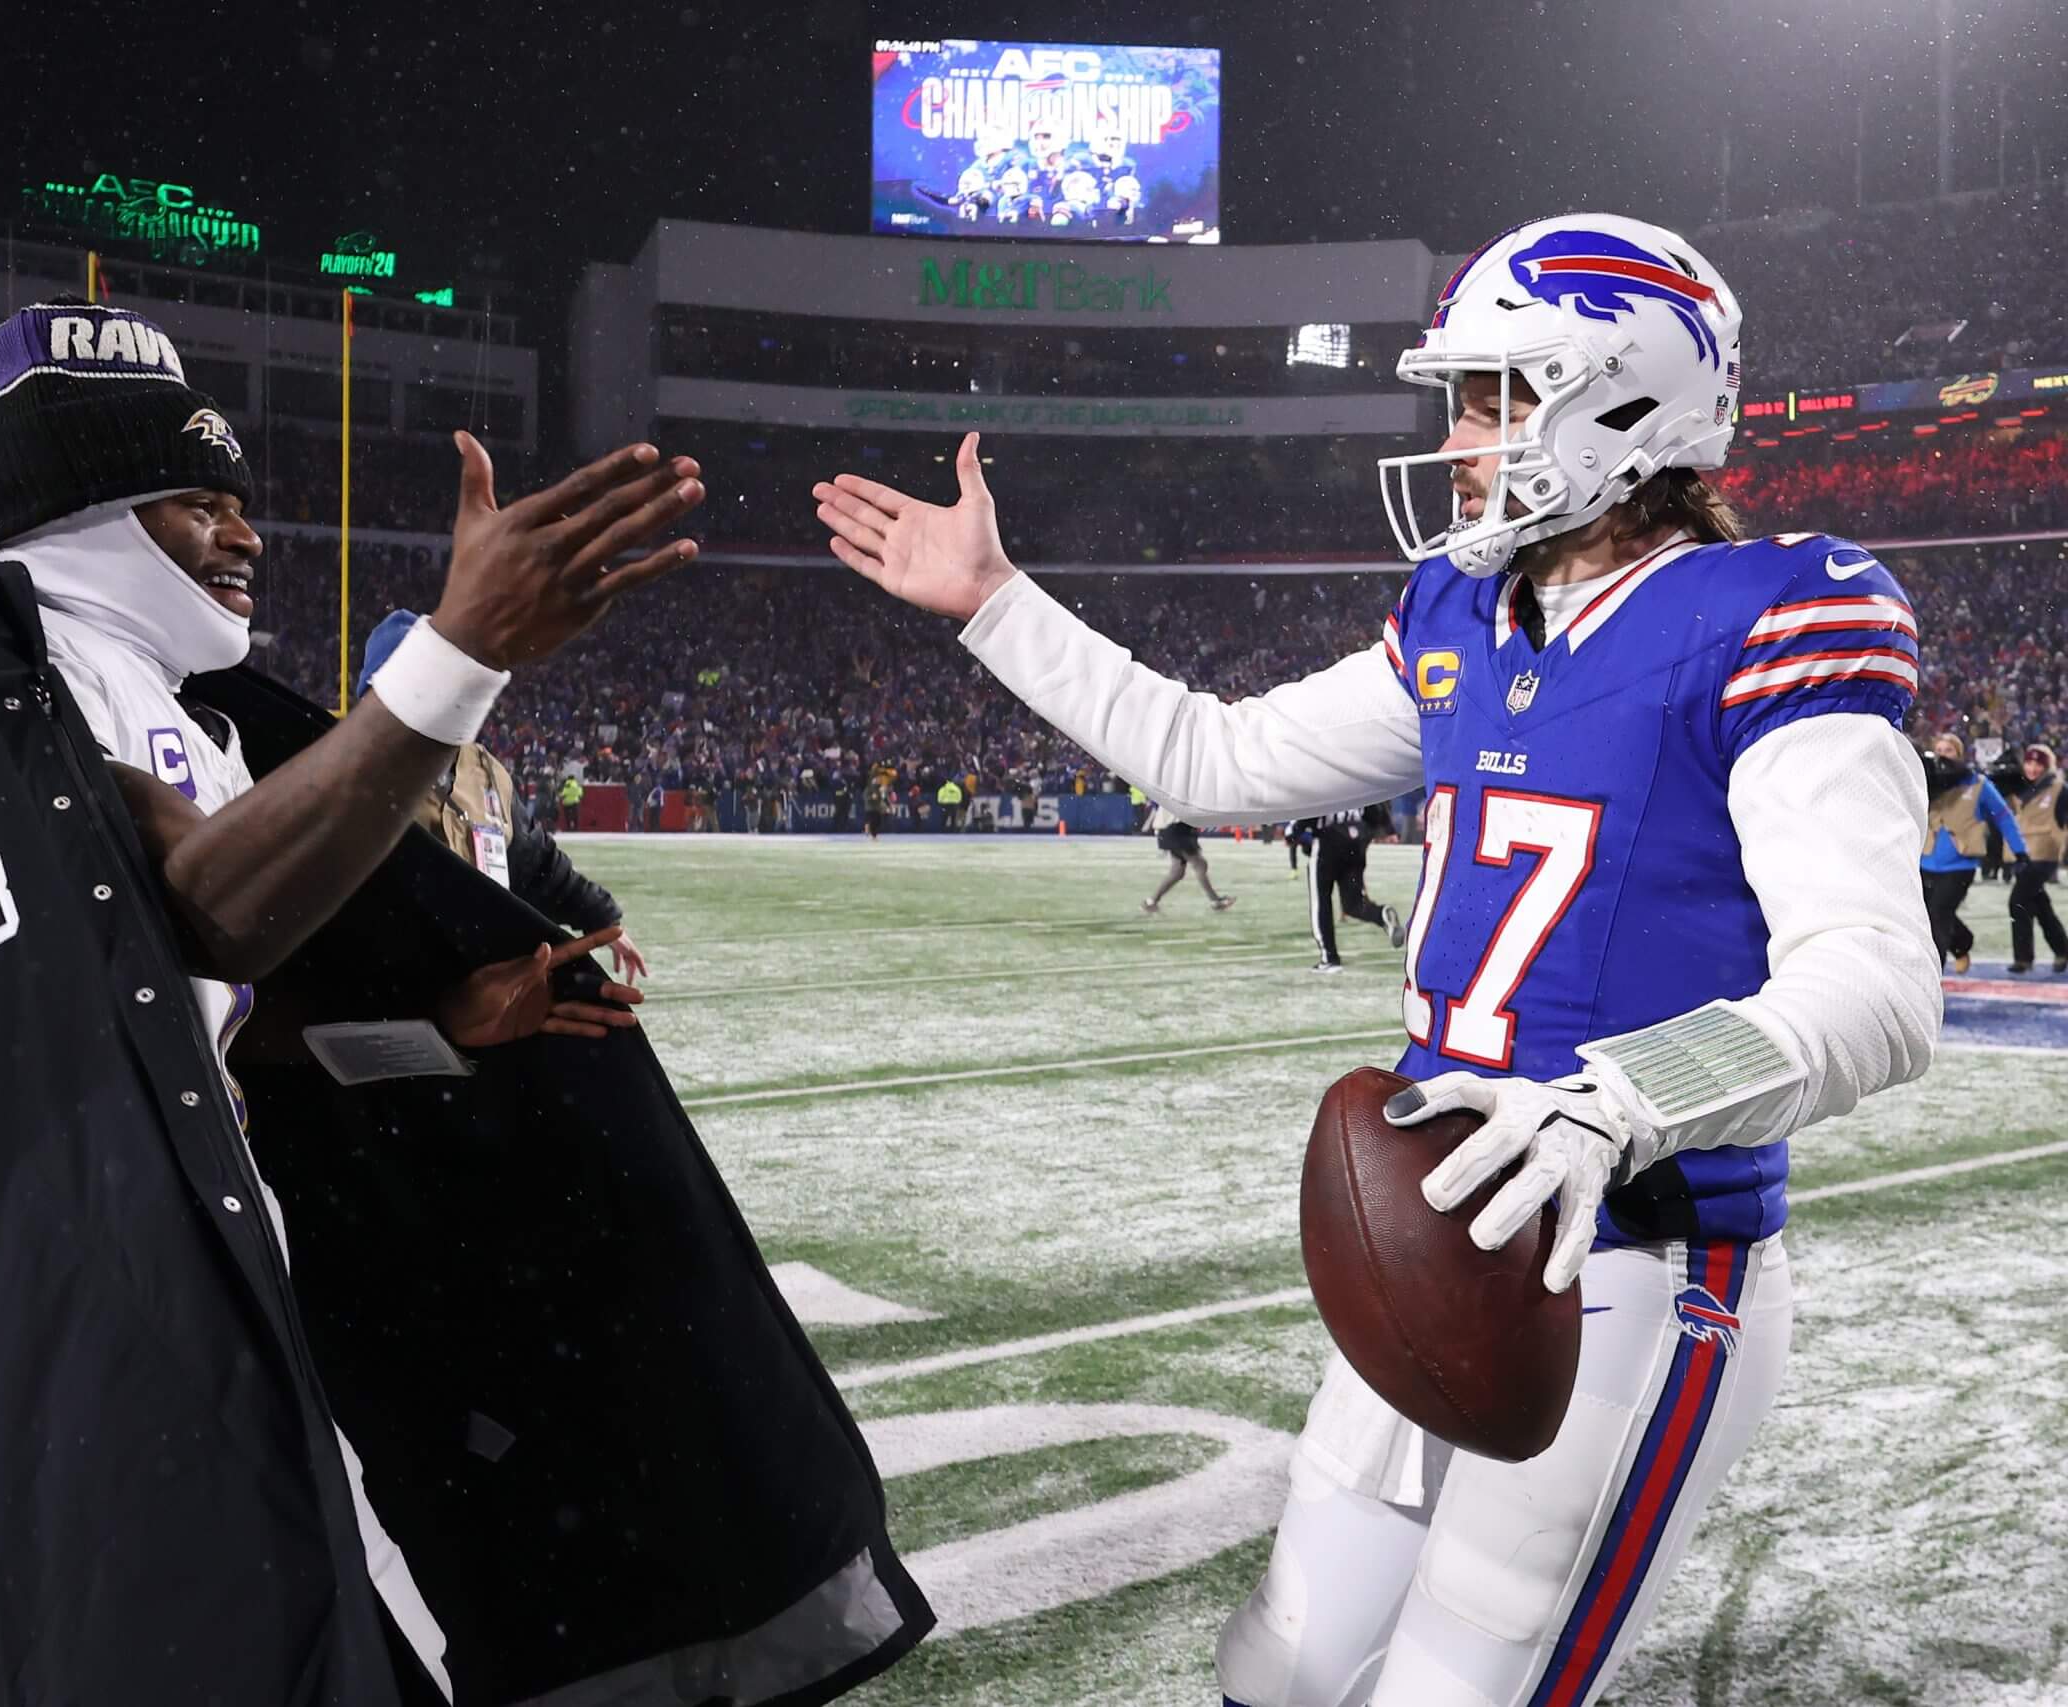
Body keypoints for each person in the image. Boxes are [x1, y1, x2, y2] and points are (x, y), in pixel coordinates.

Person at [0, 302, 934, 1706]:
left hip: (214, 1268)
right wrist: (460, 652)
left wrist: (436, 1030)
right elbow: (198, 907)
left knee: (365, 1628)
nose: (247, 534)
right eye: (198, 501)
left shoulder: (185, 707)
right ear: (87, 512)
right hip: (85, 1304)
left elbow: (198, 1012)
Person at [813, 213, 1939, 1707]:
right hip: (1443, 1236)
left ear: (1621, 404)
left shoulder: (1775, 613)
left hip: (1638, 1255)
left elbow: (1877, 987)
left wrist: (1614, 1103)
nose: (1459, 441)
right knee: (1281, 1669)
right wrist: (997, 606)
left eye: (1492, 400)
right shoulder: (1464, 612)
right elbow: (1214, 756)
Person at [356, 608, 648, 984]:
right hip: (388, 987)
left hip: (482, 988)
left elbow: (535, 864)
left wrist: (601, 918)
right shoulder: (349, 782)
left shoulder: (483, 771)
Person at [1919, 730, 2024, 975]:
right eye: (1939, 750)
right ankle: (1962, 941)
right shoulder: (1924, 781)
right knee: (1925, 913)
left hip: (1960, 864)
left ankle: (1933, 974)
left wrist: (2019, 850)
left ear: (1959, 754)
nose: (1943, 755)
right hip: (1926, 860)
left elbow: (2003, 815)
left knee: (1939, 914)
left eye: (1949, 751)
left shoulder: (1977, 784)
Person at [1298, 804, 1404, 973]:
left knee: (1321, 902)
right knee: (1353, 904)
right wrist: (1386, 829)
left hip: (1327, 841)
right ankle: (1380, 915)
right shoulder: (1358, 788)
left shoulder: (1323, 788)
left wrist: (1296, 832)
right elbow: (1374, 808)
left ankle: (1329, 958)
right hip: (1355, 842)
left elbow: (1307, 808)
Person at [2003, 742, 2068, 974]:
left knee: (2018, 901)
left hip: (2044, 854)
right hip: (2023, 855)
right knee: (2040, 905)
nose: (2032, 768)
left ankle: (2023, 959)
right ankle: (2062, 950)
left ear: (2047, 766)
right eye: (2029, 762)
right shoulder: (2021, 788)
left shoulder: (2059, 788)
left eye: (2038, 764)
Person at [1142, 803, 1236, 913]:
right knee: (1199, 865)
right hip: (1176, 828)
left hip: (1174, 828)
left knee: (1177, 872)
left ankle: (1151, 902)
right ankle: (1215, 901)